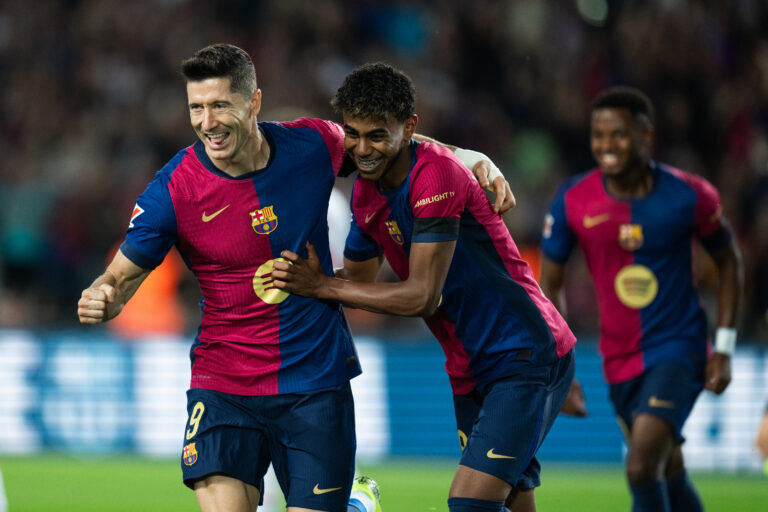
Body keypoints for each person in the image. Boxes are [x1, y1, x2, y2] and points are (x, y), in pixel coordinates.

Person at [77, 44, 510, 512]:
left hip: (314, 383)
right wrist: (102, 294)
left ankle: (354, 504)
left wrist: (464, 154)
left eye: (221, 105)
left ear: (254, 103)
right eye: (196, 108)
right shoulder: (173, 191)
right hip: (224, 385)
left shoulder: (312, 145)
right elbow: (119, 279)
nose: (208, 122)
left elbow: (392, 145)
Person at [272, 62, 577, 512]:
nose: (362, 149)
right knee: (514, 501)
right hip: (469, 367)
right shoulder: (366, 193)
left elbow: (421, 296)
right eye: (353, 135)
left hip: (525, 352)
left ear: (409, 127)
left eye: (377, 135)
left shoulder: (437, 176)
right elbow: (356, 283)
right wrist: (306, 281)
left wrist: (322, 287)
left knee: (470, 503)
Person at [538, 86, 743, 512]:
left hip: (679, 348)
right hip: (619, 357)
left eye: (619, 135)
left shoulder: (691, 195)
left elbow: (729, 263)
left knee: (640, 466)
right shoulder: (575, 198)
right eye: (599, 135)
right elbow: (550, 283)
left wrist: (722, 348)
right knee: (668, 469)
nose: (606, 146)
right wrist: (561, 364)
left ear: (646, 136)